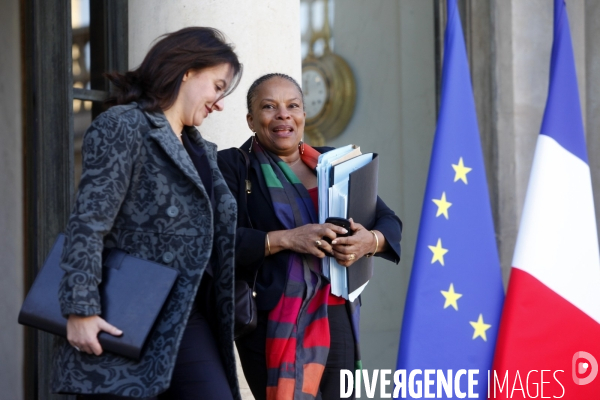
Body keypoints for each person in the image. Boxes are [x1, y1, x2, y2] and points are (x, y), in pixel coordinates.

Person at [52, 27, 243, 399]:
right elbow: (88, 224)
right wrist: (80, 310)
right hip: (125, 313)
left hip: (189, 316)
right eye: (218, 86)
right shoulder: (124, 125)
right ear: (187, 70)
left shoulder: (200, 149)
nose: (219, 103)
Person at [218, 73, 402, 400]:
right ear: (250, 120)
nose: (283, 114)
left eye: (292, 106)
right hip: (270, 317)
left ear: (304, 115)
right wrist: (288, 239)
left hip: (336, 310)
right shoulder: (233, 166)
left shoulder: (334, 163)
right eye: (269, 107)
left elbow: (388, 221)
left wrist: (367, 241)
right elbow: (218, 241)